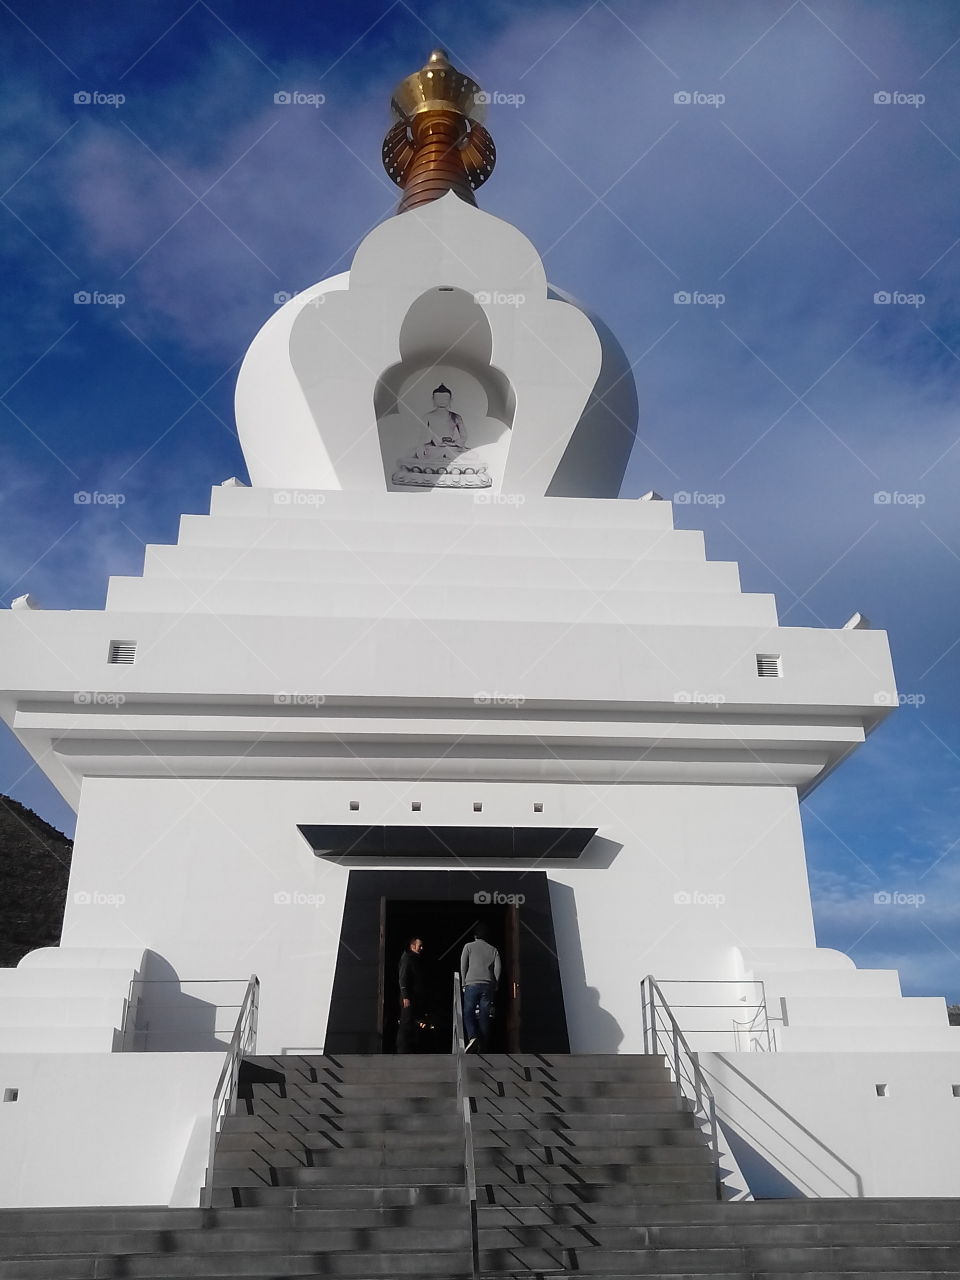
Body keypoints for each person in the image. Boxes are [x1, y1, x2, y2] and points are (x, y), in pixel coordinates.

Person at [460, 923, 501, 1052]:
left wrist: (463, 983)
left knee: (468, 1012)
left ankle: (472, 1037)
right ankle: (483, 1047)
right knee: (484, 1016)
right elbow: (498, 968)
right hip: (487, 985)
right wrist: (495, 983)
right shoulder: (493, 950)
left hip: (471, 983)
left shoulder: (468, 947)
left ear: (475, 935)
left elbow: (463, 966)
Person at [397, 936, 426, 1054]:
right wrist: (405, 996)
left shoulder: (416, 960)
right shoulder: (407, 958)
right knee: (406, 1023)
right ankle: (402, 1051)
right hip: (408, 997)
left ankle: (411, 1049)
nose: (422, 948)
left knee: (415, 1024)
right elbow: (403, 978)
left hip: (415, 998)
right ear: (412, 946)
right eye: (420, 946)